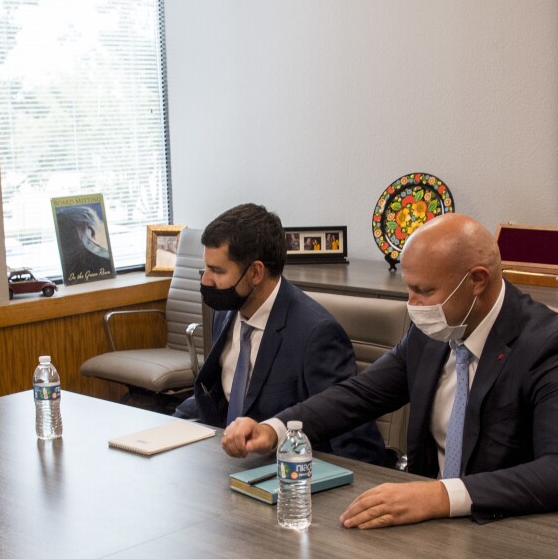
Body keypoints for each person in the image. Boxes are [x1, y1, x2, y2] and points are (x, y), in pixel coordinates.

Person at [223, 213, 558, 527]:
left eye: (425, 291)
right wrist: (278, 428)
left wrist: (442, 495)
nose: (412, 305)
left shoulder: (545, 345)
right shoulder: (433, 333)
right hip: (425, 522)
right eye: (409, 288)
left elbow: (553, 470)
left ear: (477, 281)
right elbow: (359, 394)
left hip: (506, 525)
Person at [174, 203, 385, 465]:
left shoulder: (316, 334)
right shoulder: (226, 311)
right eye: (207, 267)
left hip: (287, 476)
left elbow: (355, 442)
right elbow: (220, 398)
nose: (205, 280)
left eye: (217, 271)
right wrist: (169, 427)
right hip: (226, 463)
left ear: (255, 273)